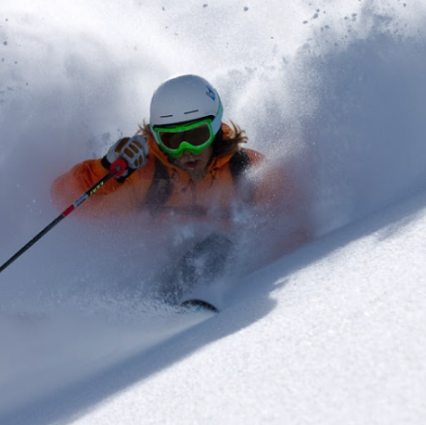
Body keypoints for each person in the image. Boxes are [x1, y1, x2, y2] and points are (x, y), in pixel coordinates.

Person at [50, 74, 292, 303]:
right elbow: (64, 201)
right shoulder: (146, 176)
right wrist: (106, 169)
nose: (186, 150)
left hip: (237, 279)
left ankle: (200, 303)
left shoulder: (247, 171)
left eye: (197, 135)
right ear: (156, 137)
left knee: (218, 246)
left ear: (216, 128)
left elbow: (288, 223)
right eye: (172, 139)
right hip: (152, 277)